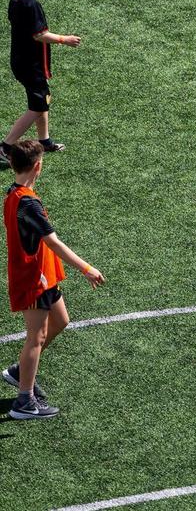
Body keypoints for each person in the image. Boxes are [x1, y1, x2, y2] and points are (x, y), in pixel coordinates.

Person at [1, 140, 105, 419]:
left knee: (60, 321)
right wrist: (86, 268)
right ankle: (24, 402)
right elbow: (54, 243)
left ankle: (19, 372)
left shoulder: (14, 194)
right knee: (37, 338)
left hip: (42, 277)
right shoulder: (28, 204)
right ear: (38, 166)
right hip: (34, 279)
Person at [0, 0, 81, 166]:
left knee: (42, 100)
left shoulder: (14, 1)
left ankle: (44, 141)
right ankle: (6, 146)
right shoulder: (31, 5)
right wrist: (65, 39)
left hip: (20, 61)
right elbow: (39, 35)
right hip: (31, 64)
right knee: (37, 106)